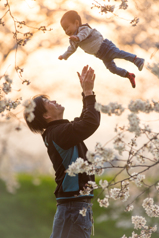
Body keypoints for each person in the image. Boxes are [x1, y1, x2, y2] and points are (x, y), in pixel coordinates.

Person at [24, 65, 100, 238]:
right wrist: (88, 93)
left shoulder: (58, 132)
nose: (55, 101)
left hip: (75, 207)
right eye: (49, 103)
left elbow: (85, 121)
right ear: (46, 116)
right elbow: (89, 123)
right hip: (73, 208)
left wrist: (87, 93)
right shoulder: (58, 134)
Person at [58, 10, 145, 89]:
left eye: (67, 27)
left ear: (76, 23)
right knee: (112, 69)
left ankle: (137, 60)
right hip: (101, 55)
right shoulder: (73, 41)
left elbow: (83, 35)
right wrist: (64, 56)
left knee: (119, 54)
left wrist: (77, 38)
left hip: (105, 47)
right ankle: (129, 75)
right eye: (64, 29)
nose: (66, 31)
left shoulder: (84, 28)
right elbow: (71, 49)